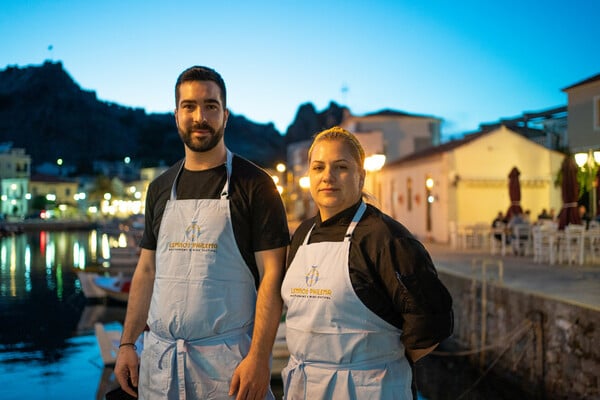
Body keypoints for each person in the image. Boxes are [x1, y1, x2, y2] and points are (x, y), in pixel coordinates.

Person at [114, 66, 289, 399]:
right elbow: (147, 271)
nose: (200, 116)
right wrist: (127, 342)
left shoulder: (255, 185)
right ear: (176, 115)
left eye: (210, 106)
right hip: (160, 367)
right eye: (189, 106)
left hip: (229, 368)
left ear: (226, 114)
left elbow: (272, 277)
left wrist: (259, 358)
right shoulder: (160, 188)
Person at [280, 127, 453, 399]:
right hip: (305, 385)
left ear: (361, 176)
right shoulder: (302, 235)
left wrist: (380, 360)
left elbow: (432, 322)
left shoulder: (386, 238)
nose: (328, 177)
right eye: (318, 167)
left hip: (369, 388)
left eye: (341, 167)